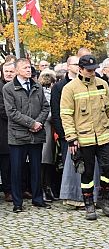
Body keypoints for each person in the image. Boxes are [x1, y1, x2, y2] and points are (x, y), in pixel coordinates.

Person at [60, 54, 109, 220]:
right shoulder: (70, 88)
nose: (92, 73)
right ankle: (89, 204)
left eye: (94, 69)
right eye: (89, 70)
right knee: (87, 173)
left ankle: (104, 199)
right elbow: (66, 115)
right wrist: (71, 137)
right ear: (80, 69)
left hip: (103, 135)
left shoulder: (102, 84)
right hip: (83, 137)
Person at [2, 58, 50, 212]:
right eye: (25, 68)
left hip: (36, 134)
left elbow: (45, 106)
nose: (29, 70)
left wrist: (39, 123)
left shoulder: (37, 86)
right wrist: (31, 123)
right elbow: (12, 112)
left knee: (36, 168)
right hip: (18, 135)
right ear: (17, 70)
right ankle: (17, 203)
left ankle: (38, 198)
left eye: (29, 67)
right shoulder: (9, 88)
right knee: (16, 170)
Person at [38, 70, 58, 202]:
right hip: (46, 128)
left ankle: (47, 188)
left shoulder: (41, 92)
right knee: (45, 161)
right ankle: (44, 188)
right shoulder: (46, 94)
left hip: (48, 128)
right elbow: (48, 113)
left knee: (47, 161)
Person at [0, 62, 16, 202]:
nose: (9, 73)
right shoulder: (1, 87)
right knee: (5, 163)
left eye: (11, 71)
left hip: (16, 130)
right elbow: (3, 109)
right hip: (3, 130)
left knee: (13, 163)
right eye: (6, 71)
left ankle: (17, 188)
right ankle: (7, 190)